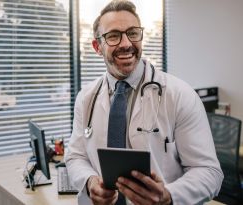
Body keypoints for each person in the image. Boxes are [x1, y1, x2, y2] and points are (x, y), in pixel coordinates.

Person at [64, 0, 223, 204]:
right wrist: (89, 181)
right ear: (97, 46)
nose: (126, 43)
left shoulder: (179, 95)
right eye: (113, 36)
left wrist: (169, 195)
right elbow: (75, 157)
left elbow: (210, 173)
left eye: (132, 33)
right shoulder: (87, 97)